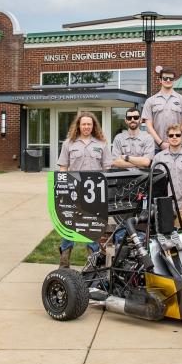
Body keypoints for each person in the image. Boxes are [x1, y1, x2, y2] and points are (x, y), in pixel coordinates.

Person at [56, 111, 113, 268]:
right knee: (69, 225)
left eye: (89, 124)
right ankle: (64, 262)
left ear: (93, 126)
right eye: (84, 124)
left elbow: (107, 169)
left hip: (94, 194)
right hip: (74, 191)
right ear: (78, 126)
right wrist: (63, 190)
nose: (86, 126)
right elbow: (63, 168)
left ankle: (92, 263)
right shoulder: (68, 144)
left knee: (92, 227)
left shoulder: (101, 144)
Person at [153, 124, 182, 232]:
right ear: (167, 138)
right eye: (171, 135)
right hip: (164, 204)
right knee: (166, 238)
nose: (174, 137)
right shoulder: (159, 157)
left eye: (177, 135)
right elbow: (154, 182)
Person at [141, 67, 182, 152]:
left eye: (171, 78)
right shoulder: (150, 101)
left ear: (174, 81)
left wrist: (175, 141)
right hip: (156, 148)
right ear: (160, 80)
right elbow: (149, 126)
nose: (168, 80)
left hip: (178, 147)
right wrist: (161, 143)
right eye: (165, 78)